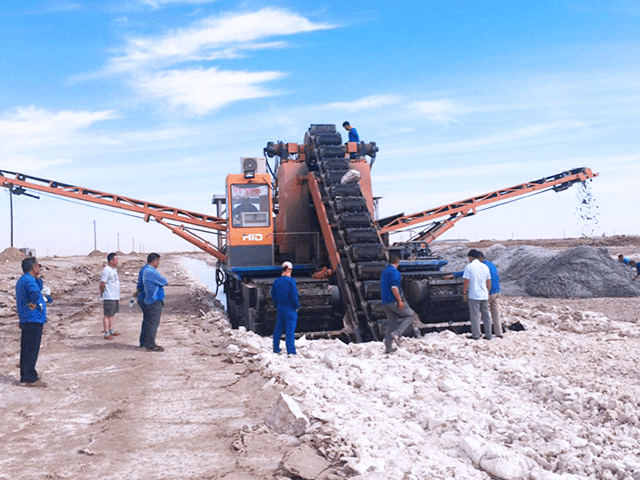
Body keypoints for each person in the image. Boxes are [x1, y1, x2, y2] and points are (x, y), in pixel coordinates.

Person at [16, 257, 52, 387]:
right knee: (31, 349)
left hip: (30, 318)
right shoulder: (29, 280)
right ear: (33, 267)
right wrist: (35, 301)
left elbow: (37, 287)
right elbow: (33, 292)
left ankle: (27, 375)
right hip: (32, 319)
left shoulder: (26, 279)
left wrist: (39, 280)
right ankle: (28, 378)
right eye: (39, 266)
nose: (40, 268)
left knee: (28, 348)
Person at [380, 253, 420, 354]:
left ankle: (388, 348)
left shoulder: (384, 272)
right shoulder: (394, 272)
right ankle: (397, 334)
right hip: (394, 300)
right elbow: (394, 287)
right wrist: (400, 301)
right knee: (410, 315)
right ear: (397, 262)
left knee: (392, 324)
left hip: (385, 301)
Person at [462, 249, 493, 340]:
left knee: (475, 315)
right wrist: (487, 291)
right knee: (486, 315)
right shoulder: (485, 267)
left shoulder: (469, 267)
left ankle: (476, 335)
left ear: (471, 257)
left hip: (474, 295)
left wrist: (464, 293)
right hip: (484, 295)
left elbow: (466, 281)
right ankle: (488, 335)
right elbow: (488, 281)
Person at [271, 261, 300, 355]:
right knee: (290, 331)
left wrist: (277, 304)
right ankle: (291, 351)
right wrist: (297, 305)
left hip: (280, 308)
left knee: (278, 329)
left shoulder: (276, 281)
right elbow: (294, 296)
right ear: (289, 269)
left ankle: (276, 348)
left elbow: (273, 295)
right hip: (290, 308)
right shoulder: (291, 281)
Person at [142, 253, 168, 352]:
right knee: (153, 323)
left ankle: (148, 342)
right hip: (154, 300)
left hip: (150, 300)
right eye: (158, 261)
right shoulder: (151, 272)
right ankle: (151, 344)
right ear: (155, 261)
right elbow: (164, 281)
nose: (159, 263)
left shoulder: (147, 270)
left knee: (150, 322)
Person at [478, 252, 503, 338]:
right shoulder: (491, 264)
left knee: (479, 312)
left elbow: (468, 273)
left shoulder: (481, 266)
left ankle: (478, 333)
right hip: (497, 291)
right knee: (495, 312)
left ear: (479, 259)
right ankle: (499, 332)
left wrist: (454, 275)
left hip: (489, 292)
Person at [99, 252, 121, 340]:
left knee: (112, 314)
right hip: (109, 296)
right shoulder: (106, 270)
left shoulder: (114, 269)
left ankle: (111, 330)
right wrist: (102, 292)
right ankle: (106, 333)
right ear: (111, 260)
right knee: (107, 315)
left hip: (115, 296)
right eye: (116, 259)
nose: (118, 261)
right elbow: (102, 283)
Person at [135, 255, 154, 348]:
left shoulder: (144, 270)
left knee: (147, 320)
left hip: (143, 297)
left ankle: (143, 342)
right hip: (146, 299)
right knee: (150, 321)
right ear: (154, 261)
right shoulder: (148, 271)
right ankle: (148, 343)